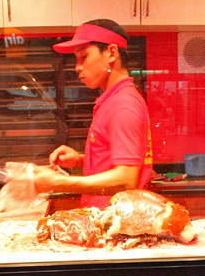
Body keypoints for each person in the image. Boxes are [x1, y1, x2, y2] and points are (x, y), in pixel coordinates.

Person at [32, 19, 153, 209]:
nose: (77, 67)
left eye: (84, 56)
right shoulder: (114, 100)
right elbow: (117, 163)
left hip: (114, 226)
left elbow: (127, 179)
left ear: (111, 53)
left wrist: (57, 182)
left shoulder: (123, 105)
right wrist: (80, 159)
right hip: (106, 220)